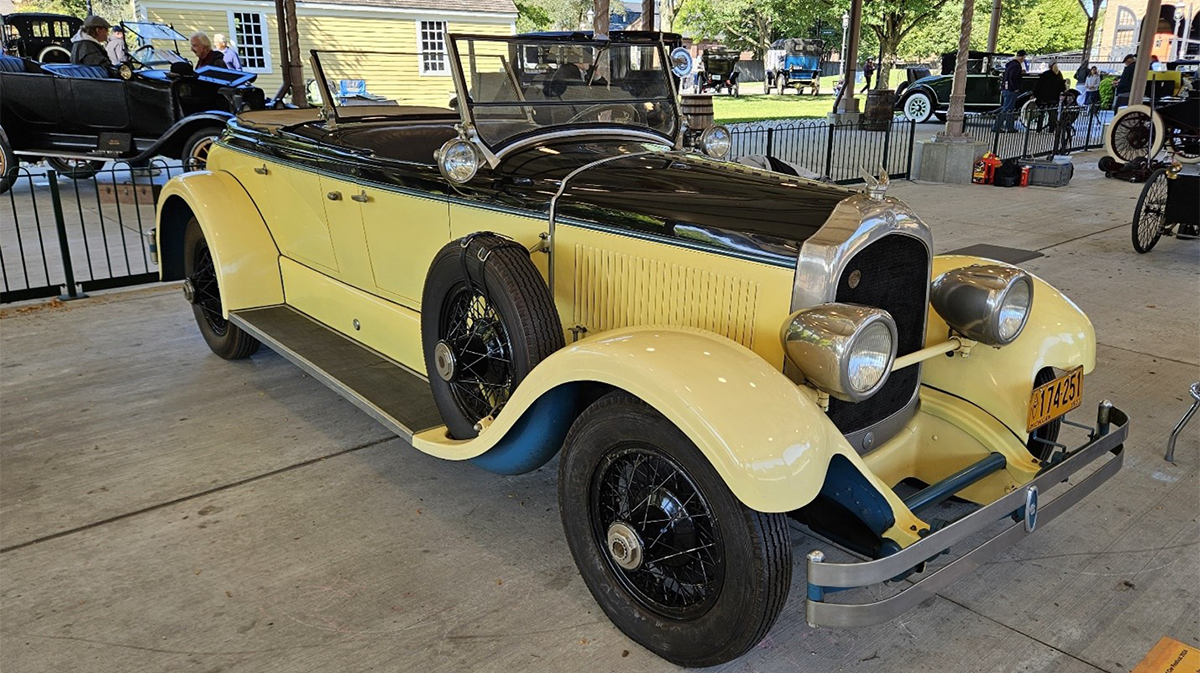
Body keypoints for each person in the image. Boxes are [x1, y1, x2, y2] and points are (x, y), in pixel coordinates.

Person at [993, 49, 1026, 133]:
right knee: (1007, 109)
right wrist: (1016, 88)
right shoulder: (1016, 66)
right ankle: (997, 126)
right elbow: (1012, 77)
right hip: (1011, 89)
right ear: (1022, 57)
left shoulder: (1010, 64)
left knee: (1009, 108)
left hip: (1006, 88)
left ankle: (1009, 126)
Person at [1032, 62, 1066, 132]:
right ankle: (1051, 129)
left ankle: (1039, 129)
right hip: (1054, 97)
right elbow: (1062, 86)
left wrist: (1035, 94)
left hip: (1044, 97)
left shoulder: (1045, 74)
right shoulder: (1059, 74)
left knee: (1041, 114)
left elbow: (1039, 86)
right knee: (1052, 114)